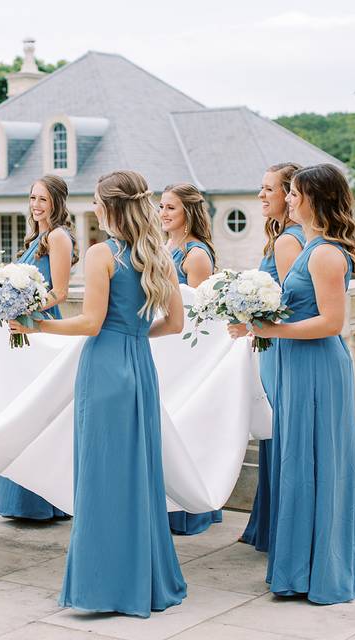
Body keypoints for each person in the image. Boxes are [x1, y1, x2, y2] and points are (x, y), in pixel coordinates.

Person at [12, 170, 187, 617]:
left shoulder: (100, 253)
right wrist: (133, 336)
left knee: (101, 475)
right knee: (138, 473)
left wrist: (37, 324)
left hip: (104, 369)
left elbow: (89, 322)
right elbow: (175, 323)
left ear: (110, 206)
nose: (92, 208)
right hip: (138, 365)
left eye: (96, 201)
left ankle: (101, 586)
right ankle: (144, 580)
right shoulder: (157, 255)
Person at [250, 163, 355, 603]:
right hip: (300, 363)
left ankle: (316, 569)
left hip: (318, 366)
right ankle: (300, 566)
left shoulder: (324, 253)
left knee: (314, 463)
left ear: (314, 199)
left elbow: (331, 323)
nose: (287, 199)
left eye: (295, 193)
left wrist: (270, 331)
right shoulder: (311, 246)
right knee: (299, 462)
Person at [0, 176, 78, 521]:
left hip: (42, 331)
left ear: (57, 201)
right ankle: (20, 500)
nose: (36, 205)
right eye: (32, 198)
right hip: (21, 331)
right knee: (19, 409)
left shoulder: (58, 237)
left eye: (43, 199)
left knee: (40, 413)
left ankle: (44, 501)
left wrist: (28, 312)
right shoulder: (36, 238)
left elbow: (60, 292)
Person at [228, 162, 304, 552]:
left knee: (278, 431)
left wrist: (251, 322)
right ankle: (268, 523)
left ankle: (276, 528)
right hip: (272, 346)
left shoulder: (289, 241)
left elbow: (290, 304)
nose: (261, 195)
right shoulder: (284, 236)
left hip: (280, 346)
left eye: (269, 189)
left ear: (292, 196)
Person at [159, 183, 224, 536]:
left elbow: (201, 316)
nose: (164, 213)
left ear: (189, 213)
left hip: (183, 348)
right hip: (163, 345)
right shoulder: (165, 246)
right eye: (162, 206)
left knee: (182, 425)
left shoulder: (195, 255)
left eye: (171, 208)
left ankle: (187, 512)